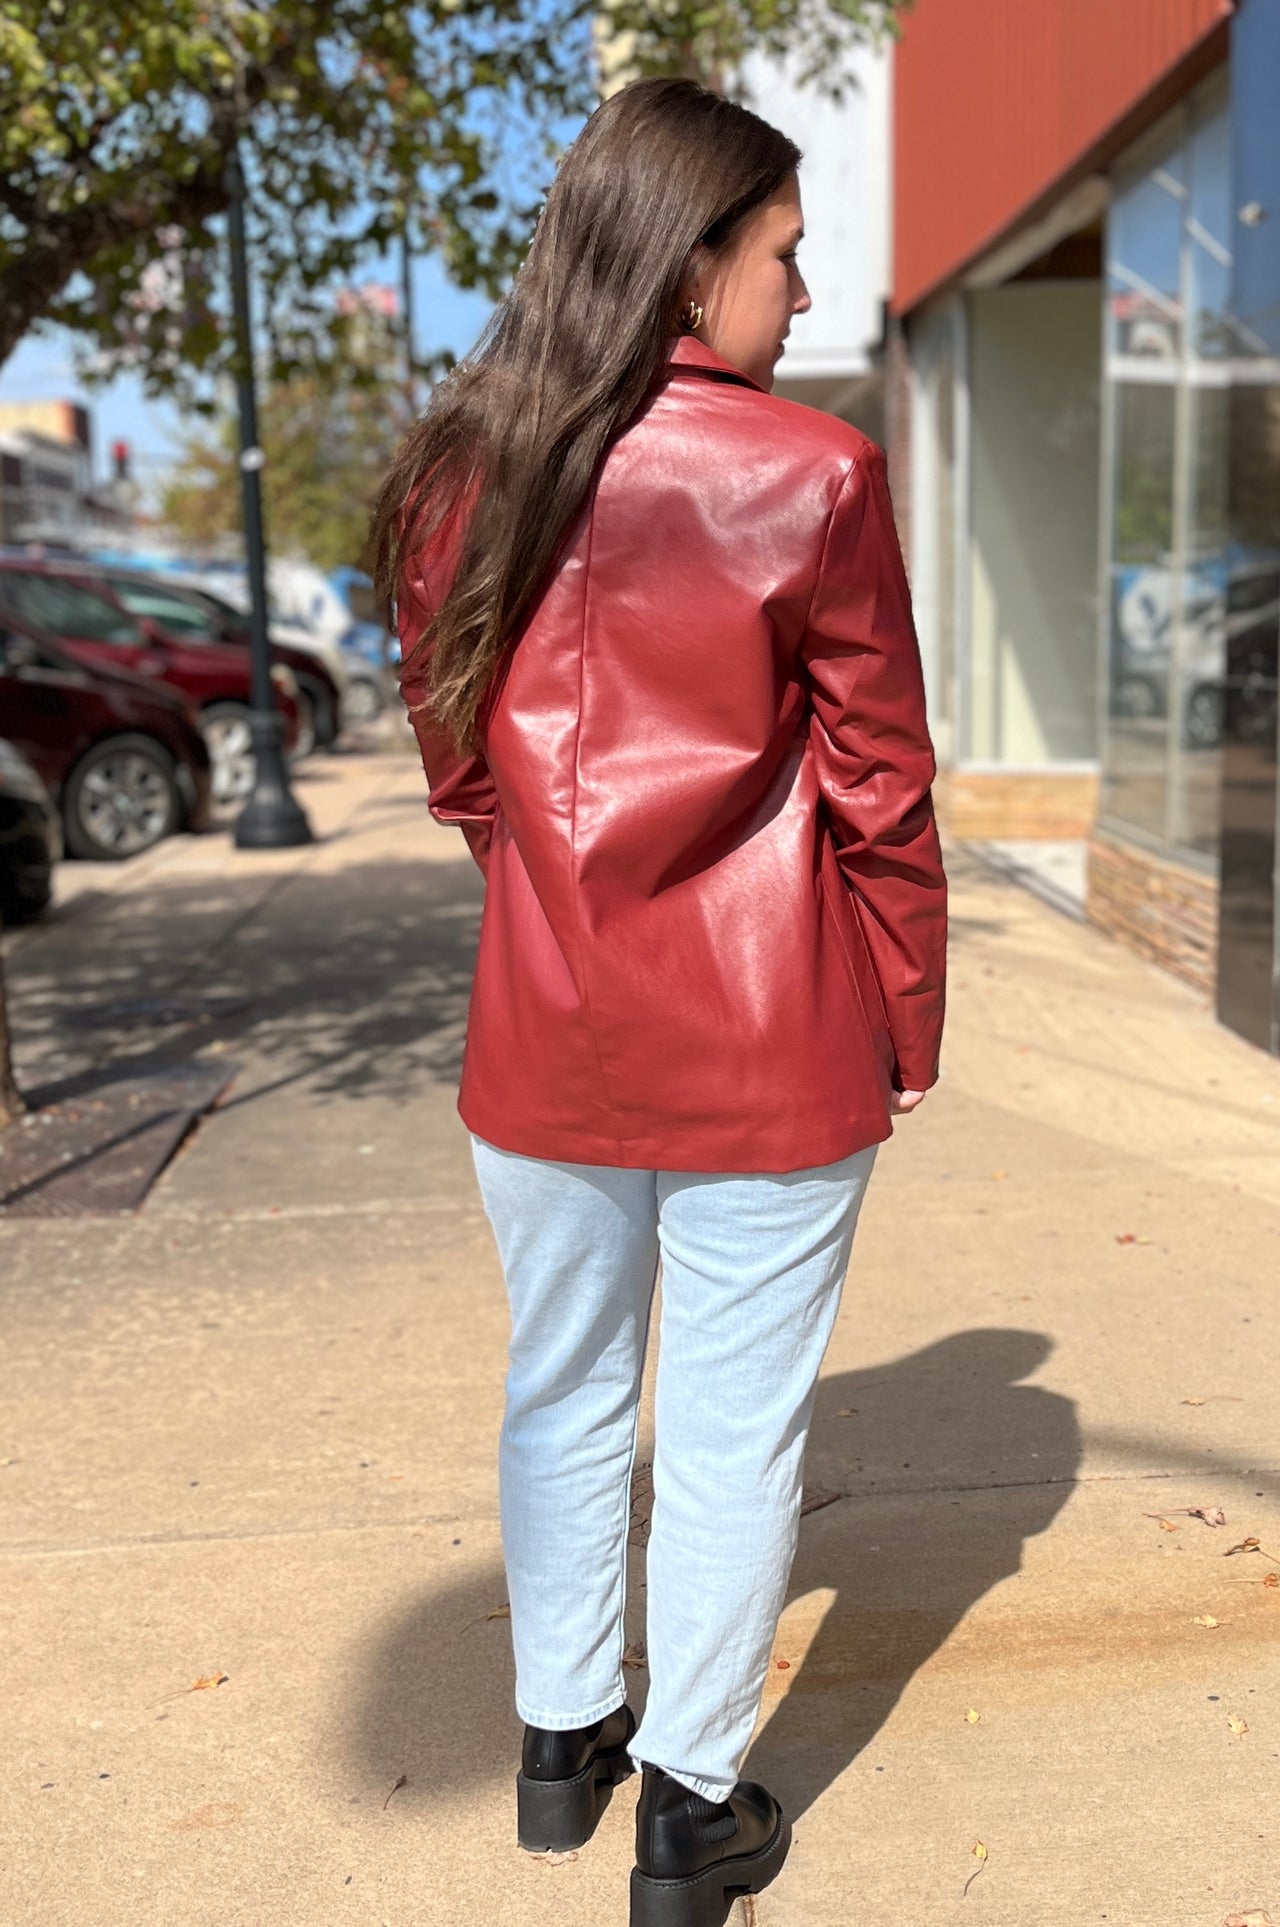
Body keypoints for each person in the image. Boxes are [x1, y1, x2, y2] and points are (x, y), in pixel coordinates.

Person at [371, 74, 948, 1927]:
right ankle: (688, 1814)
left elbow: (462, 771)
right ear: (686, 260)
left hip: (541, 1032)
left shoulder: (458, 472)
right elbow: (881, 783)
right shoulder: (813, 472)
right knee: (722, 1428)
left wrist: (550, 904)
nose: (801, 284)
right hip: (769, 1041)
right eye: (779, 252)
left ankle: (561, 1749)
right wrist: (906, 1015)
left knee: (556, 1392)